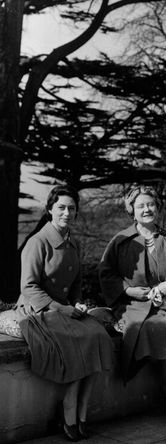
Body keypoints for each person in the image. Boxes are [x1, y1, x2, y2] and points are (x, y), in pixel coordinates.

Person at [14, 185, 114, 442]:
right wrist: (62, 308)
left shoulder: (74, 244)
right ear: (49, 210)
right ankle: (69, 404)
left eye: (71, 208)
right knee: (78, 339)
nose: (66, 213)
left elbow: (78, 284)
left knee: (99, 335)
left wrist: (79, 303)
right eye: (61, 207)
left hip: (64, 310)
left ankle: (82, 407)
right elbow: (29, 286)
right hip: (37, 310)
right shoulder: (37, 241)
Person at [99, 185, 166, 414]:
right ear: (131, 210)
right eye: (140, 205)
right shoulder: (121, 240)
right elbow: (106, 273)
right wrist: (128, 291)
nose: (146, 209)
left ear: (158, 208)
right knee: (150, 327)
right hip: (131, 304)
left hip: (165, 302)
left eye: (151, 204)